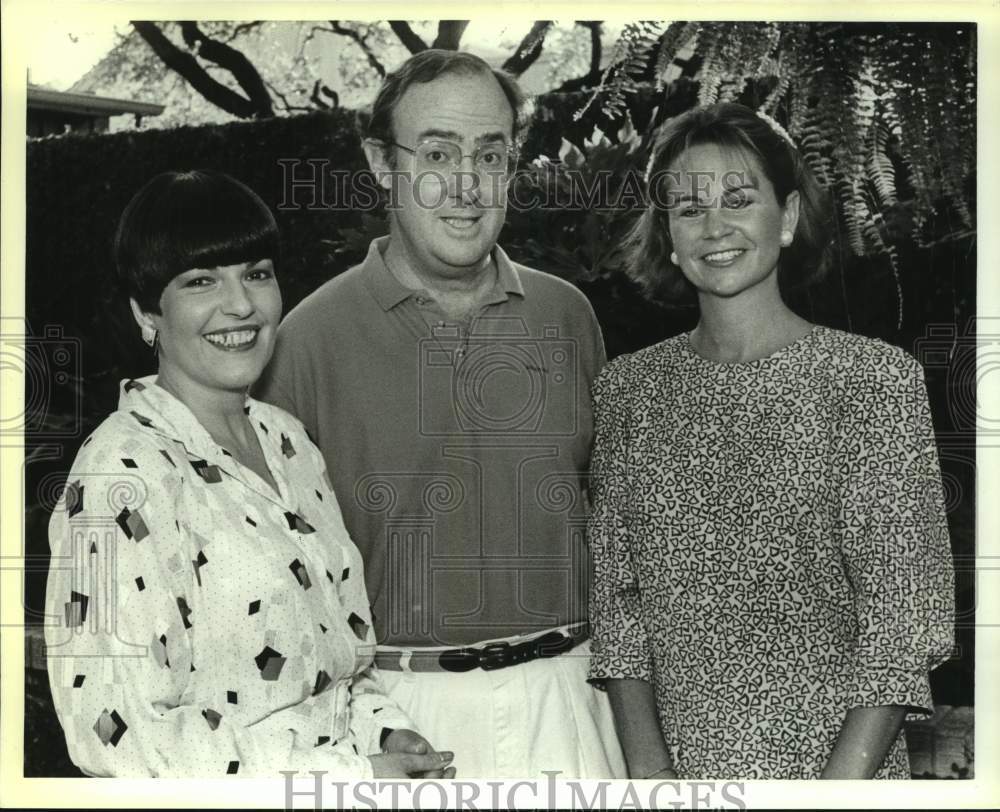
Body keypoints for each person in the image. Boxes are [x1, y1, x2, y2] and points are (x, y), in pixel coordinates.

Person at [255, 51, 625, 779]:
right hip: (396, 723)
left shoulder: (569, 316)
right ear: (381, 164)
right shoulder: (302, 342)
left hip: (572, 705)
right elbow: (274, 593)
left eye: (491, 154)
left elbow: (614, 528)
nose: (466, 183)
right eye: (437, 152)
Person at [586, 102, 956, 780]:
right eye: (689, 207)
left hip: (843, 773)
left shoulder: (872, 383)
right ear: (667, 230)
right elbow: (618, 610)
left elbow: (904, 621)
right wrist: (652, 778)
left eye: (739, 198)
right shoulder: (628, 393)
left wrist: (833, 795)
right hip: (676, 776)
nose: (715, 226)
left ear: (785, 218)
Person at [44, 170, 454, 779]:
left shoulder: (287, 441)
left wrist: (384, 729)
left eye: (257, 273)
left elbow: (333, 664)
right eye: (202, 281)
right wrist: (346, 775)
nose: (241, 304)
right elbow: (114, 732)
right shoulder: (116, 480)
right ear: (146, 313)